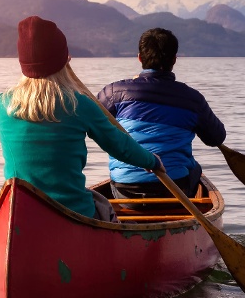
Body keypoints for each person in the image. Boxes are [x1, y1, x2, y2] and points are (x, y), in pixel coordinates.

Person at [0, 16, 163, 222]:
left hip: (19, 212)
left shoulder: (0, 105)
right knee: (102, 206)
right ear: (63, 60)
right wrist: (152, 161)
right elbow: (120, 146)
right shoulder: (78, 105)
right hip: (71, 210)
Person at [96, 28, 226, 201]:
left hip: (124, 189)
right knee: (195, 169)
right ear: (174, 59)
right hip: (175, 188)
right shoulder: (192, 99)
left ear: (140, 58)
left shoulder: (113, 92)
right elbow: (216, 138)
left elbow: (92, 121)